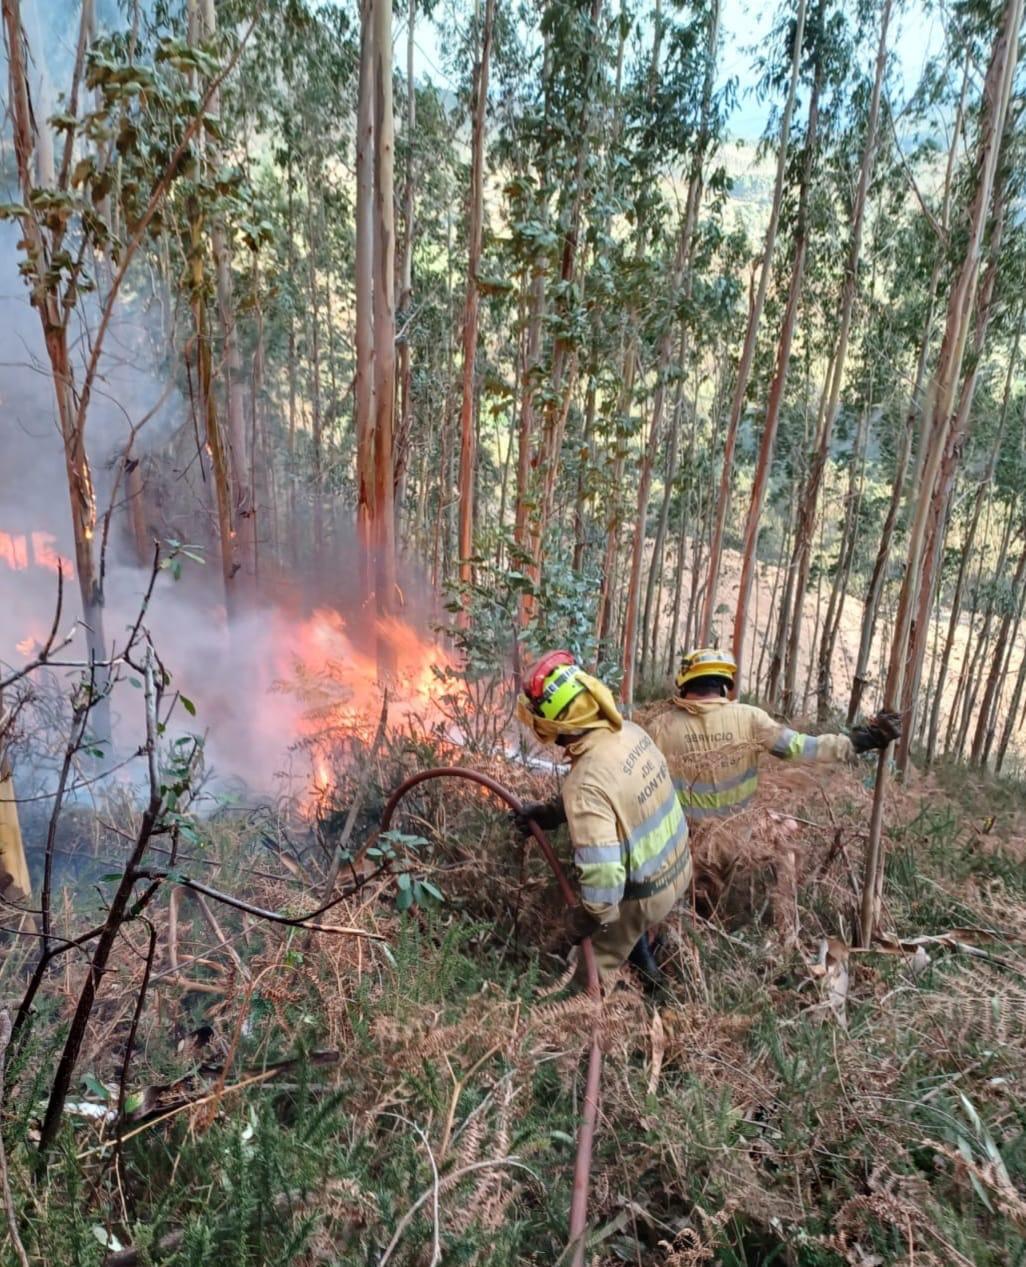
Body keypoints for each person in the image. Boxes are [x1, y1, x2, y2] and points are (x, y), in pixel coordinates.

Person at [514, 650, 691, 994]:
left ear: (551, 726)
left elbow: (606, 880)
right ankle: (650, 976)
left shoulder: (585, 784)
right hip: (679, 868)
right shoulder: (630, 733)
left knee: (584, 979)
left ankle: (579, 1032)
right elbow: (614, 796)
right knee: (628, 922)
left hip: (644, 895)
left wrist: (584, 922)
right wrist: (550, 815)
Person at [644, 647, 902, 826]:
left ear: (684, 684)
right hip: (740, 840)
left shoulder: (659, 728)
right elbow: (804, 748)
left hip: (682, 845)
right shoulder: (751, 719)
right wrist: (861, 740)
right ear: (724, 685)